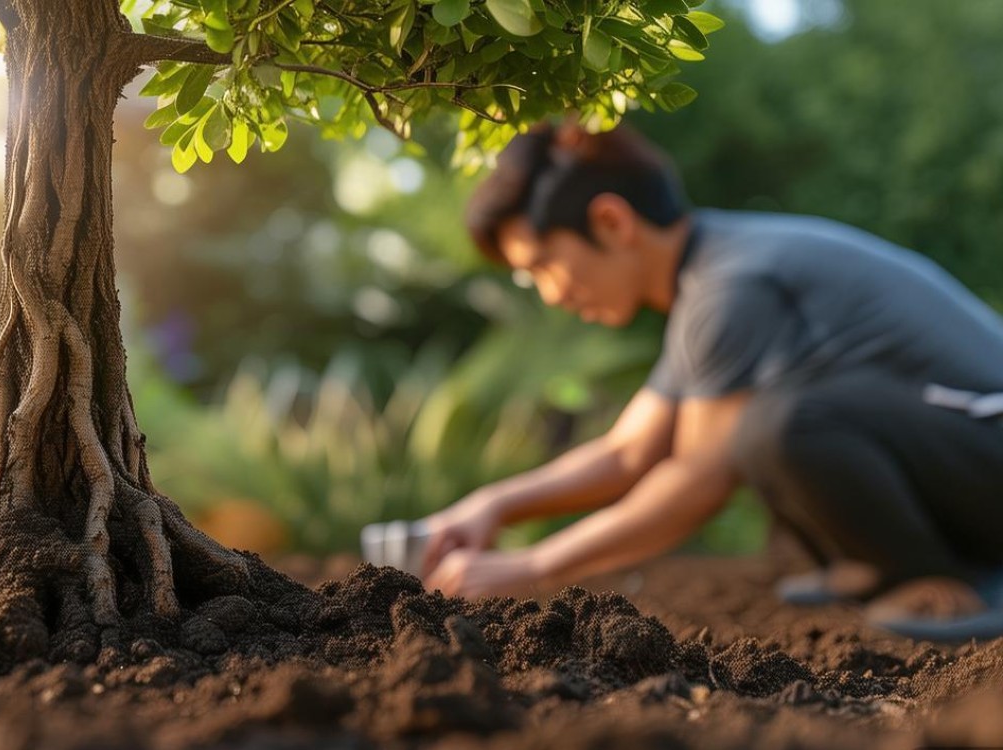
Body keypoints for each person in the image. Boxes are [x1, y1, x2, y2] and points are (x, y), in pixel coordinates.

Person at [419, 121, 1003, 640]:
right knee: (775, 426)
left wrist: (531, 567)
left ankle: (944, 583)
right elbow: (627, 453)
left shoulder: (729, 288)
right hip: (970, 458)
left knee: (780, 425)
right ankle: (879, 571)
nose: (550, 293)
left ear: (611, 221)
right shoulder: (708, 278)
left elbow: (698, 482)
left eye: (542, 265)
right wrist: (494, 505)